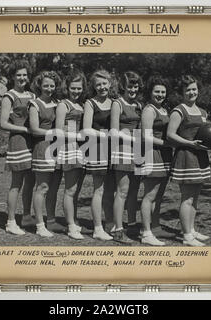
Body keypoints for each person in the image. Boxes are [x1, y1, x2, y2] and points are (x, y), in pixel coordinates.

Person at [167, 75, 211, 246]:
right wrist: (190, 143)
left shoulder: (202, 112)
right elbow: (170, 135)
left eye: (194, 89)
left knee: (196, 196)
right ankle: (186, 236)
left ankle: (191, 230)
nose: (192, 92)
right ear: (182, 92)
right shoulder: (179, 110)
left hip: (200, 157)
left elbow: (207, 133)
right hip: (186, 156)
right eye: (188, 90)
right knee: (187, 197)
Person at [0, 59, 36, 235]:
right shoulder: (9, 96)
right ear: (13, 76)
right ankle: (11, 222)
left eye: (25, 75)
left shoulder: (32, 95)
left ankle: (27, 216)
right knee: (17, 183)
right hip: (19, 142)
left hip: (32, 142)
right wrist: (25, 129)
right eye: (19, 74)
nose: (22, 78)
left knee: (30, 182)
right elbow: (3, 123)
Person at [139, 75, 174, 246]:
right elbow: (146, 137)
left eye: (163, 92)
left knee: (159, 195)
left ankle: (155, 225)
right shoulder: (149, 110)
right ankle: (145, 232)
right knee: (150, 195)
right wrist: (168, 143)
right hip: (150, 153)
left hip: (164, 154)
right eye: (157, 91)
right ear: (150, 92)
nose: (160, 94)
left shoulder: (164, 109)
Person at [110, 71, 143, 244]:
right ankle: (117, 229)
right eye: (130, 86)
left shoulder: (138, 105)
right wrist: (134, 139)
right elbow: (114, 131)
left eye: (136, 86)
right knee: (122, 191)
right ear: (123, 86)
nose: (133, 89)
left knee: (134, 191)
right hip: (122, 149)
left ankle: (131, 225)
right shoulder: (118, 103)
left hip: (137, 151)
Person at [82, 70, 115, 241]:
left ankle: (110, 223)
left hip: (113, 149)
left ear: (110, 83)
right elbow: (86, 129)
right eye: (98, 85)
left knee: (111, 190)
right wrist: (106, 136)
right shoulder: (90, 103)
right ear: (94, 87)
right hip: (96, 148)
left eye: (104, 83)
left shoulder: (115, 103)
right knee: (99, 190)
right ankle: (97, 228)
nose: (102, 87)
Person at [28, 71, 62, 237]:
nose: (49, 88)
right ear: (39, 86)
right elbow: (34, 130)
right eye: (46, 85)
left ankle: (51, 221)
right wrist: (53, 133)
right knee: (42, 187)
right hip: (42, 147)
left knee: (54, 188)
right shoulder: (35, 104)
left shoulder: (58, 103)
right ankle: (40, 225)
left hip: (57, 148)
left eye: (52, 85)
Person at [55, 69, 87, 240]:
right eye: (73, 88)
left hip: (81, 148)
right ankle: (70, 226)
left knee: (77, 189)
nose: (76, 91)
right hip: (69, 148)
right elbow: (59, 130)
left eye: (79, 88)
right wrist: (78, 134)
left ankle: (73, 220)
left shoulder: (81, 105)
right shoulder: (63, 105)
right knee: (70, 189)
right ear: (67, 88)